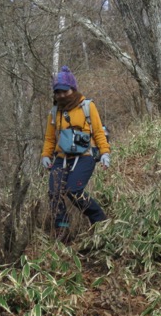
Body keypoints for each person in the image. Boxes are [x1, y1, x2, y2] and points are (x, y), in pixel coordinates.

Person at [41, 66, 110, 240]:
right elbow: (50, 138)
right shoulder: (54, 112)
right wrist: (45, 156)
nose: (62, 95)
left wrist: (104, 153)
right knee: (54, 192)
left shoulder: (87, 106)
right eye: (58, 92)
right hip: (62, 157)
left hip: (85, 155)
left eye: (65, 91)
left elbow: (98, 132)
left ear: (73, 89)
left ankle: (99, 220)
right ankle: (62, 228)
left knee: (74, 190)